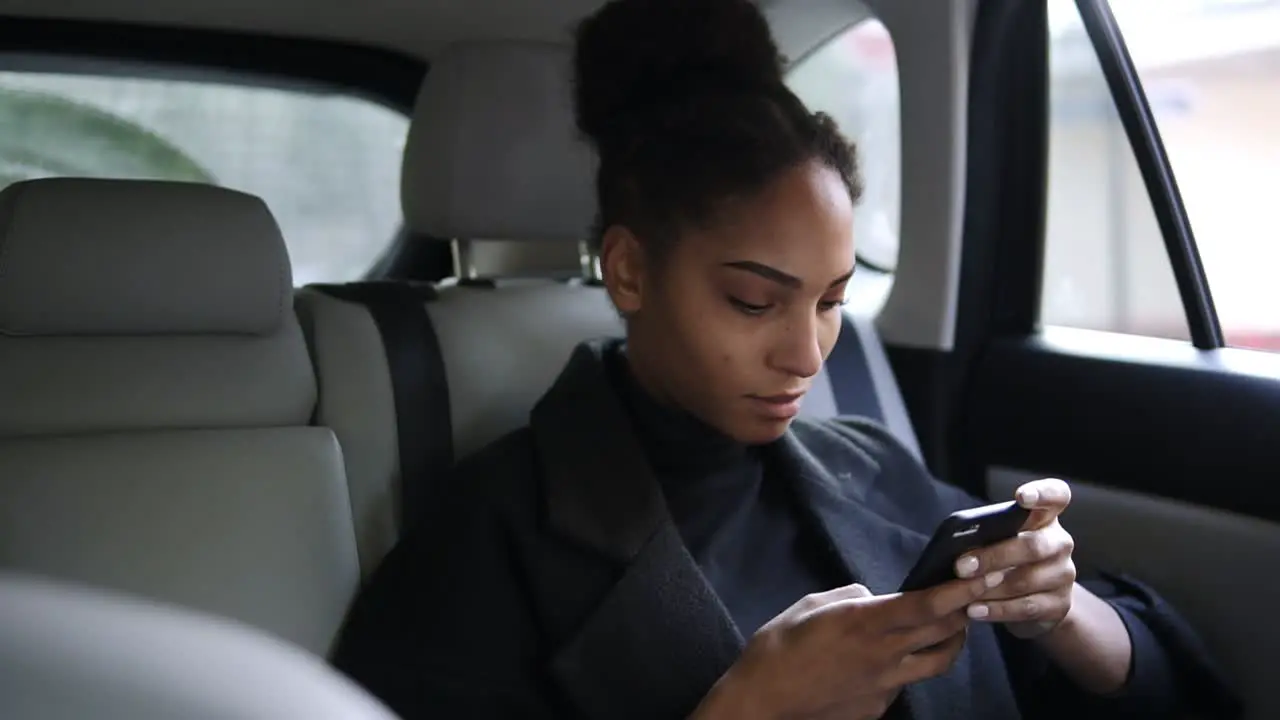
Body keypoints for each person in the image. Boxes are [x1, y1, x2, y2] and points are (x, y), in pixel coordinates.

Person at [332, 0, 1240, 718]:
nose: (806, 354)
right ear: (630, 270)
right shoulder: (488, 538)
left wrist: (1061, 614)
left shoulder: (871, 467)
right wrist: (746, 710)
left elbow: (1174, 692)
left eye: (834, 300)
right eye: (754, 301)